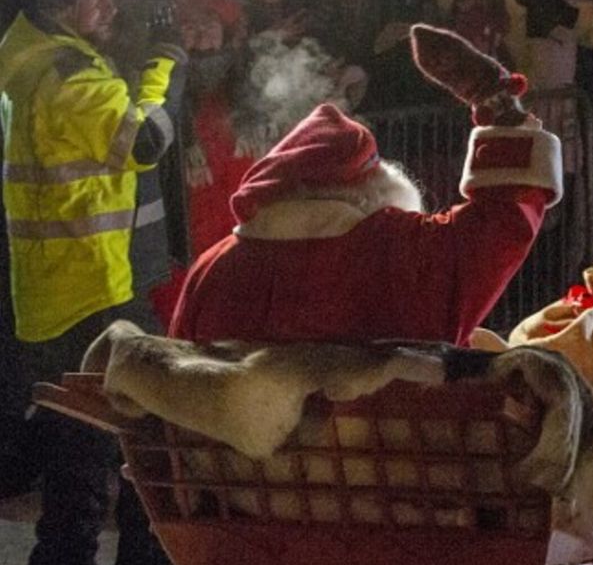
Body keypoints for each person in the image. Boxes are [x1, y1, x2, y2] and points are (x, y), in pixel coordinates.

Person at [171, 25, 562, 346]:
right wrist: (497, 103)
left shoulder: (213, 270)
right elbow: (504, 216)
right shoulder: (399, 252)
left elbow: (179, 378)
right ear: (371, 190)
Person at [0, 0, 189, 565]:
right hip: (93, 277)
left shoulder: (20, 51)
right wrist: (166, 70)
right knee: (153, 411)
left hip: (47, 280)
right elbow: (144, 140)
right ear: (63, 2)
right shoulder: (68, 75)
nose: (110, 9)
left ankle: (63, 562)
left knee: (76, 427)